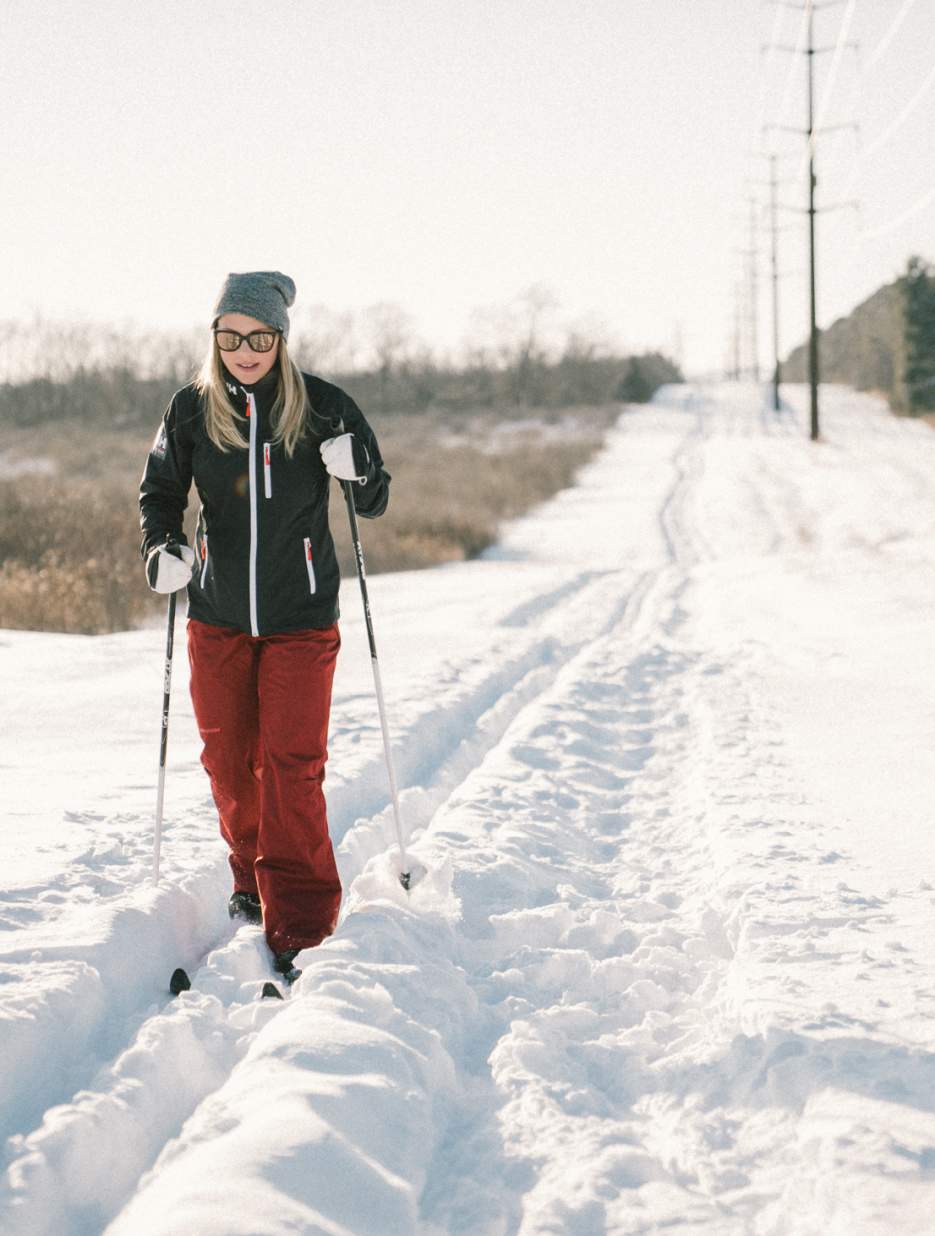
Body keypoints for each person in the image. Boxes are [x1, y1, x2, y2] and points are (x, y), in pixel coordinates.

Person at [139, 271, 390, 980]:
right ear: (214, 338)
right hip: (217, 615)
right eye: (231, 336)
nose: (244, 350)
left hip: (300, 619)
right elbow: (159, 491)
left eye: (258, 336)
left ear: (280, 338)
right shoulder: (191, 408)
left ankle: (304, 921)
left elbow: (372, 501)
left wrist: (358, 466)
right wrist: (162, 548)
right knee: (227, 762)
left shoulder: (323, 407)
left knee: (290, 766)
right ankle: (252, 878)